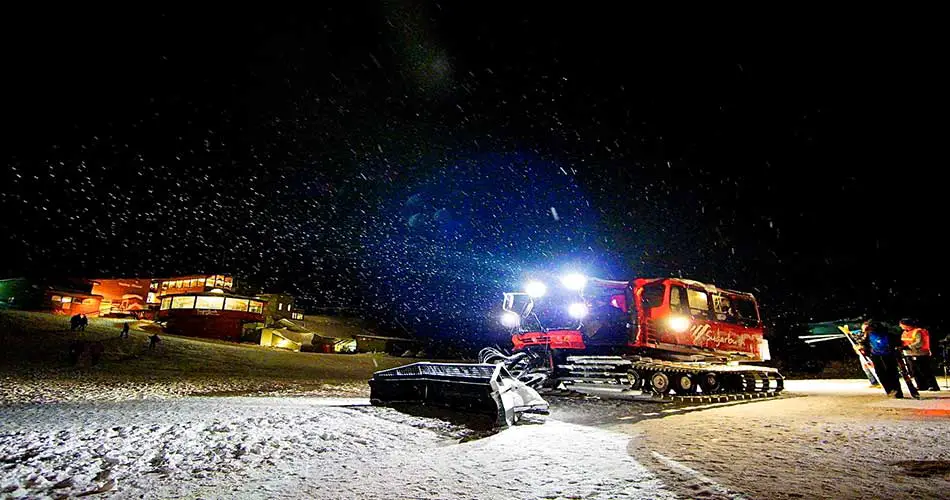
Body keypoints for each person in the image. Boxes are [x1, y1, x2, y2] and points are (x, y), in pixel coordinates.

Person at [859, 320, 905, 398]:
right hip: (877, 356)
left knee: (891, 374)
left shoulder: (888, 334)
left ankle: (896, 392)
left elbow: (897, 343)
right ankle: (891, 391)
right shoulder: (869, 334)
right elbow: (865, 344)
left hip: (888, 355)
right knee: (883, 374)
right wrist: (864, 349)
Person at [900, 318, 941, 391]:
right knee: (914, 371)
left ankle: (933, 385)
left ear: (907, 325)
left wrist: (908, 346)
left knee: (925, 370)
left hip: (920, 354)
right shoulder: (905, 332)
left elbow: (919, 343)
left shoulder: (918, 331)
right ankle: (921, 385)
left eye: (901, 324)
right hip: (909, 354)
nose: (900, 326)